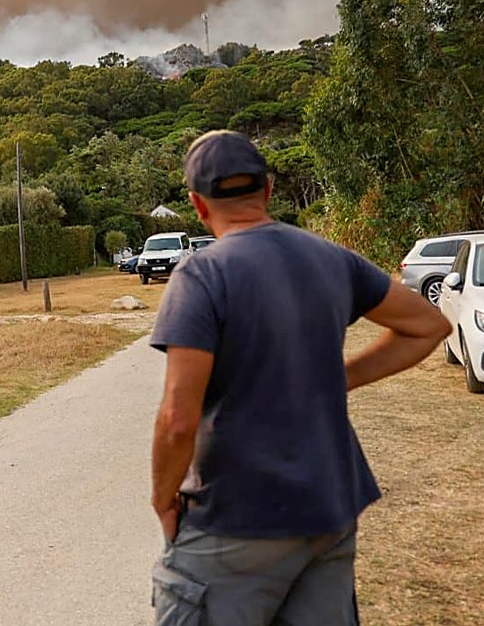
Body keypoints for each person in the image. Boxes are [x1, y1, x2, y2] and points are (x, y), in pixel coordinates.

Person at [149, 130, 450, 626]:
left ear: (197, 205)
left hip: (237, 515)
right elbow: (428, 325)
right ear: (268, 191)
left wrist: (163, 499)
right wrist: (339, 377)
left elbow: (178, 419)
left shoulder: (201, 276)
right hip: (329, 509)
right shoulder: (333, 258)